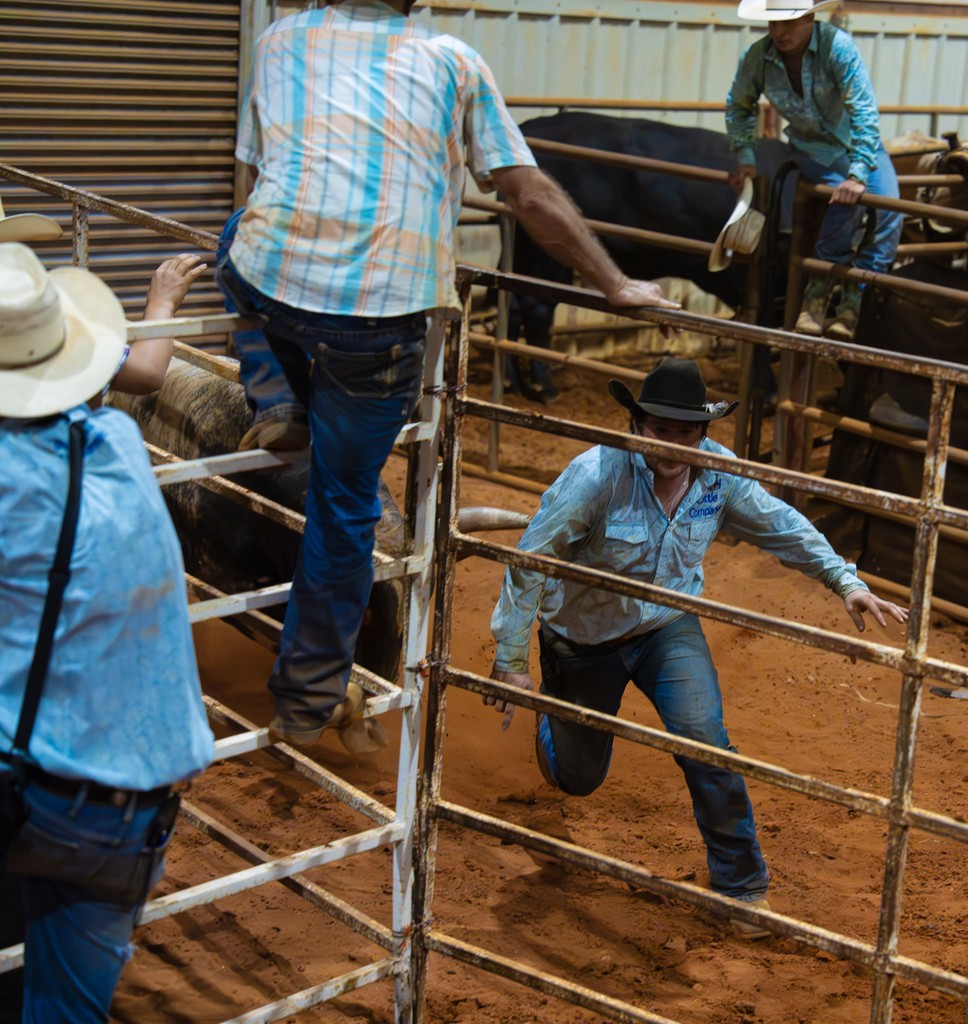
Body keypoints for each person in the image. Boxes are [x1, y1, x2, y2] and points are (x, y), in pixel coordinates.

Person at [216, 0, 680, 747]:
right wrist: (613, 283)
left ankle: (278, 394)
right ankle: (305, 698)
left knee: (238, 241)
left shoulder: (277, 39)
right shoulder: (454, 60)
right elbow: (526, 193)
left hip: (275, 287)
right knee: (343, 510)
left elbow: (252, 173)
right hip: (381, 323)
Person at [486, 358, 908, 938]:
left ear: (704, 434)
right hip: (584, 638)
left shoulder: (719, 475)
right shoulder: (594, 476)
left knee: (706, 741)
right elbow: (529, 563)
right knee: (578, 779)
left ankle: (740, 888)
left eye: (687, 433)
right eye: (661, 430)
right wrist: (511, 662)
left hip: (667, 625)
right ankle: (551, 728)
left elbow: (780, 524)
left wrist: (846, 581)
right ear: (637, 426)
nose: (674, 445)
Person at [0, 242, 214, 1023]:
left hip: (29, 793)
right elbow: (146, 377)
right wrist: (158, 302)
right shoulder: (119, 444)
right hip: (131, 815)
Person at [725, 0, 903, 340]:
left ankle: (853, 301)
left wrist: (859, 171)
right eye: (772, 24)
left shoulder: (837, 47)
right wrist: (745, 157)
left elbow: (863, 109)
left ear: (809, 18)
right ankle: (816, 299)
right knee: (845, 202)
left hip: (858, 144)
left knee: (890, 209)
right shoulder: (757, 58)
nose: (779, 32)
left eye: (788, 23)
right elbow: (739, 105)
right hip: (813, 148)